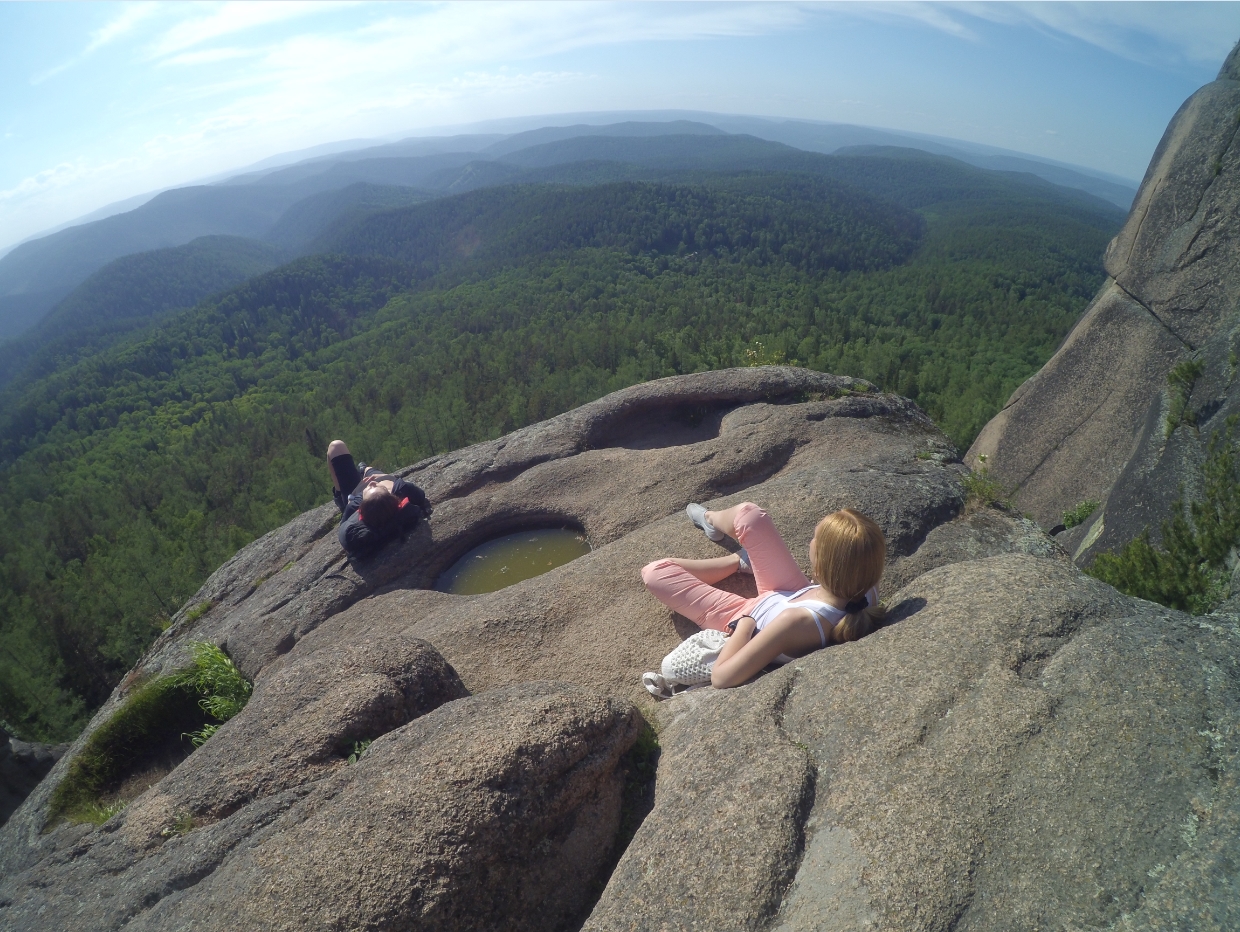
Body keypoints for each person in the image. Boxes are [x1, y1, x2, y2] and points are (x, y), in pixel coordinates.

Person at [641, 501, 886, 689]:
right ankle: (711, 520)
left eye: (814, 539)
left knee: (655, 573)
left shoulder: (794, 623)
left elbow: (721, 676)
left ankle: (736, 561)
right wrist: (816, 583)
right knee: (749, 515)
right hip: (791, 592)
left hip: (743, 616)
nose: (810, 541)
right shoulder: (864, 589)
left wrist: (745, 627)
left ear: (821, 567)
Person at [327, 440, 431, 558]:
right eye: (382, 488)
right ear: (395, 498)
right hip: (380, 489)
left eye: (372, 486)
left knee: (336, 446)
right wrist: (385, 478)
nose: (372, 483)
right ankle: (365, 469)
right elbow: (420, 495)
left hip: (354, 491)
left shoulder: (353, 509)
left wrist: (353, 496)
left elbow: (344, 528)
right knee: (370, 471)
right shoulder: (404, 490)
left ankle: (340, 494)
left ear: (360, 511)